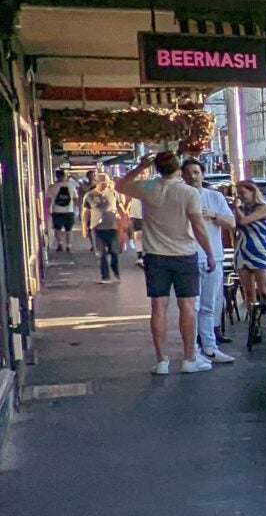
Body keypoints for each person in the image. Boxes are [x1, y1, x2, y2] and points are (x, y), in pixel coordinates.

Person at [126, 150, 215, 375]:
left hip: (155, 256)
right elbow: (198, 226)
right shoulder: (188, 192)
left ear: (156, 168)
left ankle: (162, 360)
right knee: (187, 307)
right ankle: (189, 358)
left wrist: (139, 168)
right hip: (184, 254)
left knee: (158, 308)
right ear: (178, 169)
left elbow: (120, 185)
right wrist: (210, 253)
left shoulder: (147, 188)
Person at [181, 159, 238, 365]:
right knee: (191, 306)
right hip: (188, 256)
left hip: (214, 257)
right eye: (188, 173)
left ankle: (210, 347)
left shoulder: (214, 197)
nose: (193, 176)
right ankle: (192, 349)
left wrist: (214, 215)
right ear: (182, 176)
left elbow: (231, 223)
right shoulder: (180, 197)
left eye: (196, 172)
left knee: (209, 305)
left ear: (203, 174)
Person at [232, 180, 266, 312]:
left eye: (243, 193)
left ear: (252, 191)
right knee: (248, 292)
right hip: (242, 250)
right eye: (238, 193)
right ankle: (253, 323)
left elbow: (244, 221)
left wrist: (236, 209)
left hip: (259, 250)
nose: (240, 196)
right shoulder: (241, 209)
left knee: (264, 290)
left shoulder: (264, 208)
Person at [82, 173, 125, 284]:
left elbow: (120, 206)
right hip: (97, 229)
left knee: (115, 252)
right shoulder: (89, 195)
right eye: (103, 183)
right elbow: (85, 212)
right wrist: (84, 228)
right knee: (100, 254)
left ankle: (116, 272)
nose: (105, 185)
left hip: (112, 228)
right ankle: (105, 276)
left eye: (106, 182)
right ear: (96, 183)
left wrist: (123, 216)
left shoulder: (113, 193)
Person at [47, 170, 78, 253]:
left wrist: (49, 209)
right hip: (69, 211)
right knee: (69, 229)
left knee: (57, 229)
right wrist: (75, 210)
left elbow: (49, 200)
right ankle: (69, 246)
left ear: (57, 176)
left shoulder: (52, 187)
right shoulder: (71, 186)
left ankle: (60, 244)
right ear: (64, 176)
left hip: (56, 211)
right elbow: (75, 199)